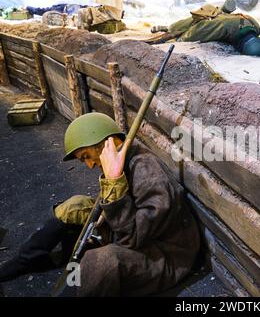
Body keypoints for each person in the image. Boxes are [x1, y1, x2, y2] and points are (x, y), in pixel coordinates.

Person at [0, 112, 200, 296]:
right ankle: (25, 261)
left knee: (99, 262)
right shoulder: (120, 158)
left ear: (106, 142)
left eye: (86, 156)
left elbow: (132, 238)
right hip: (128, 228)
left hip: (165, 256)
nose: (88, 165)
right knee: (74, 207)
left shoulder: (147, 171)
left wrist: (114, 183)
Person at [150, 2, 260, 57]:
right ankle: (168, 28)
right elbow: (193, 35)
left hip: (221, 15)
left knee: (189, 23)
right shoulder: (225, 27)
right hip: (216, 18)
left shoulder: (255, 26)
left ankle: (168, 27)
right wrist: (174, 40)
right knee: (188, 25)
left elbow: (237, 22)